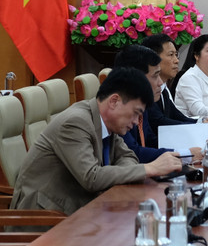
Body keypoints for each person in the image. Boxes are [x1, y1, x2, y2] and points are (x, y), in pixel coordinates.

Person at [10, 68, 182, 216]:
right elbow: (91, 177)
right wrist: (150, 168)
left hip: (80, 209)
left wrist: (124, 171)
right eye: (136, 113)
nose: (137, 121)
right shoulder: (76, 123)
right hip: (45, 219)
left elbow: (128, 155)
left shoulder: (107, 121)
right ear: (114, 101)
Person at [113, 45, 203, 163]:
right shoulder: (118, 109)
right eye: (155, 76)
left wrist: (192, 145)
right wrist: (184, 155)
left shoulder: (141, 104)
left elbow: (150, 140)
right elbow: (133, 152)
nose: (160, 83)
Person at [141, 34, 208, 132]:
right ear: (153, 57)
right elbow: (160, 122)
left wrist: (202, 122)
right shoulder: (147, 89)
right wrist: (204, 125)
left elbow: (176, 116)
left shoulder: (163, 88)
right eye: (171, 55)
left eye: (176, 55)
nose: (176, 61)